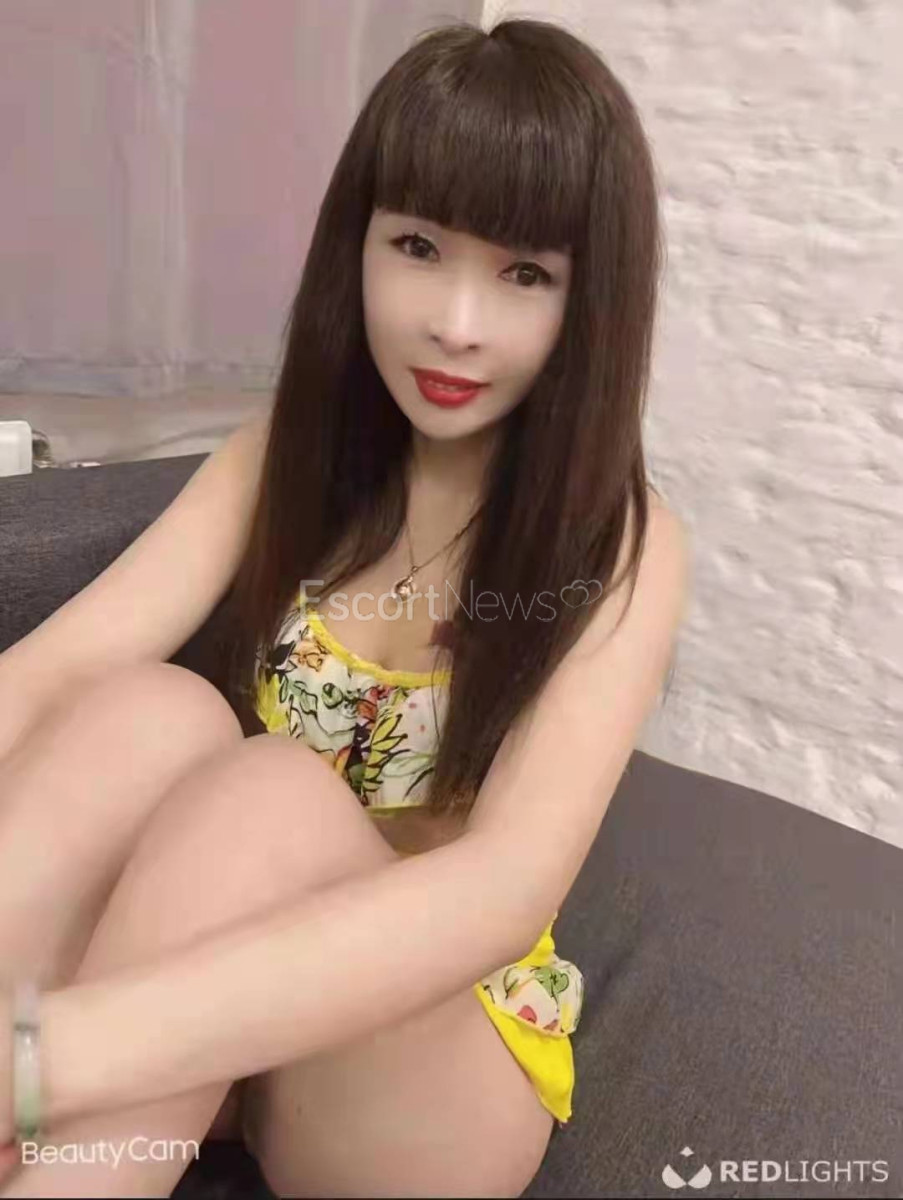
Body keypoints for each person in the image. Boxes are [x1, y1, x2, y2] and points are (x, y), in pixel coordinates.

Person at [0, 15, 689, 1197]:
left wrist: (49, 1054)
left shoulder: (622, 546)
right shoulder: (289, 458)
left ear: (590, 302)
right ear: (355, 243)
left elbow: (499, 893)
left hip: (421, 1059)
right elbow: (57, 669)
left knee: (269, 788)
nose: (456, 323)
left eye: (524, 274)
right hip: (216, 1028)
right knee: (151, 711)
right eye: (418, 246)